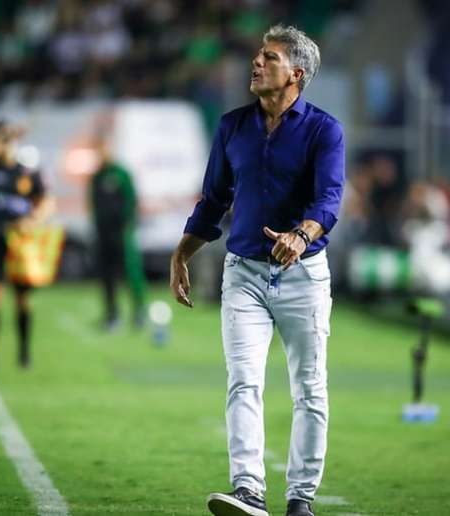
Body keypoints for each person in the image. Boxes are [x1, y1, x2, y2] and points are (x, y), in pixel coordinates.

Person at [170, 25, 345, 516]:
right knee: (243, 381)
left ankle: (301, 499)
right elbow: (213, 200)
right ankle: (248, 490)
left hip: (304, 277)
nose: (256, 64)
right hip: (243, 275)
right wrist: (182, 253)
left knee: (309, 389)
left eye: (268, 58)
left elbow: (329, 198)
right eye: (257, 56)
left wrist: (303, 234)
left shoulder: (324, 130)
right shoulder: (231, 126)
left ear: (297, 73)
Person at [0, 119, 51, 368]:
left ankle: (24, 354)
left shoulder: (25, 172)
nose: (8, 144)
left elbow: (47, 201)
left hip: (20, 243)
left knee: (22, 300)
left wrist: (33, 220)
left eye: (11, 140)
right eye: (3, 139)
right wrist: (2, 136)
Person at [89, 137, 147, 330]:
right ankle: (112, 314)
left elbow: (131, 200)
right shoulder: (96, 177)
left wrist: (128, 225)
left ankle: (139, 312)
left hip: (122, 233)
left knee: (131, 273)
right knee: (107, 276)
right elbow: (94, 205)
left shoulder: (121, 174)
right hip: (103, 234)